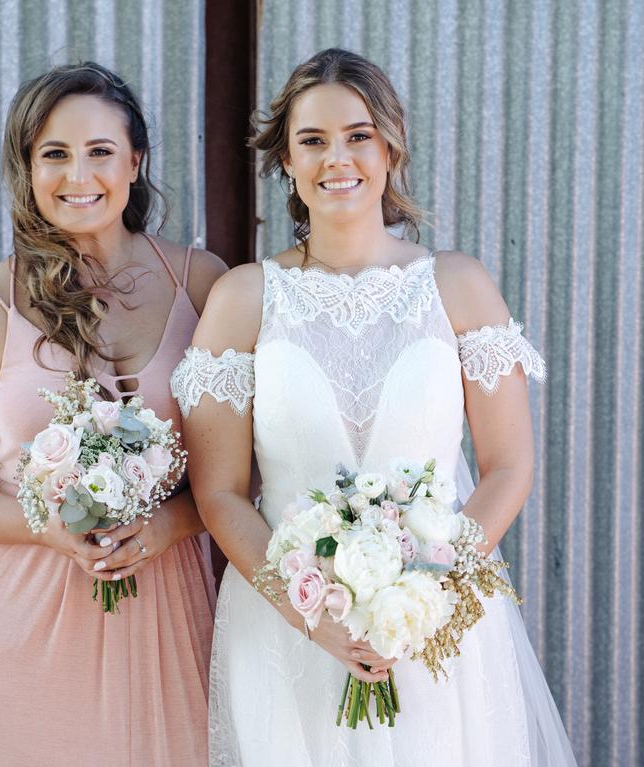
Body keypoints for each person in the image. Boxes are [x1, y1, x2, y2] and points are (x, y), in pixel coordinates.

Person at [170, 48, 576, 766]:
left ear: (390, 146)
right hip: (288, 629)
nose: (338, 158)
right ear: (286, 162)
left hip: (436, 626)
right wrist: (309, 612)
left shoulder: (457, 284)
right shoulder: (243, 298)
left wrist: (424, 593)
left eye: (358, 135)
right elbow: (221, 493)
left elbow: (509, 467)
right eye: (313, 140)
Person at [0, 62, 225, 766]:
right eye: (55, 154)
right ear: (27, 168)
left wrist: (168, 521)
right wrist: (48, 525)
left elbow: (242, 468)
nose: (80, 174)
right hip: (20, 617)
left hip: (170, 603)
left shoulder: (202, 283)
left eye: (100, 151)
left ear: (135, 161)